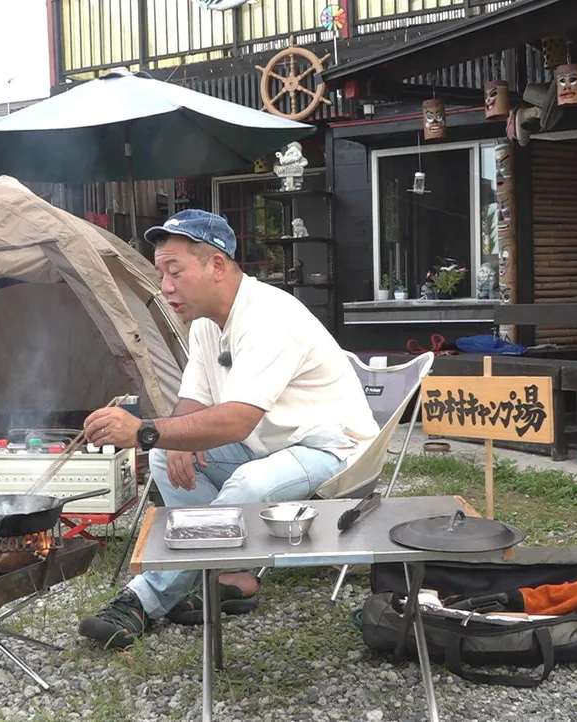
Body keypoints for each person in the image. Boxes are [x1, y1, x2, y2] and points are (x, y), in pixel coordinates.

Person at [77, 209, 378, 649]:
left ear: (216, 265)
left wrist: (145, 431)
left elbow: (237, 419)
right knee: (167, 454)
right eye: (161, 273)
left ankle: (143, 599)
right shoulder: (205, 324)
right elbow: (195, 399)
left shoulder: (268, 317)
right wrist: (170, 437)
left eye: (174, 271)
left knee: (245, 481)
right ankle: (228, 576)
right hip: (269, 445)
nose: (164, 287)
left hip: (331, 448)